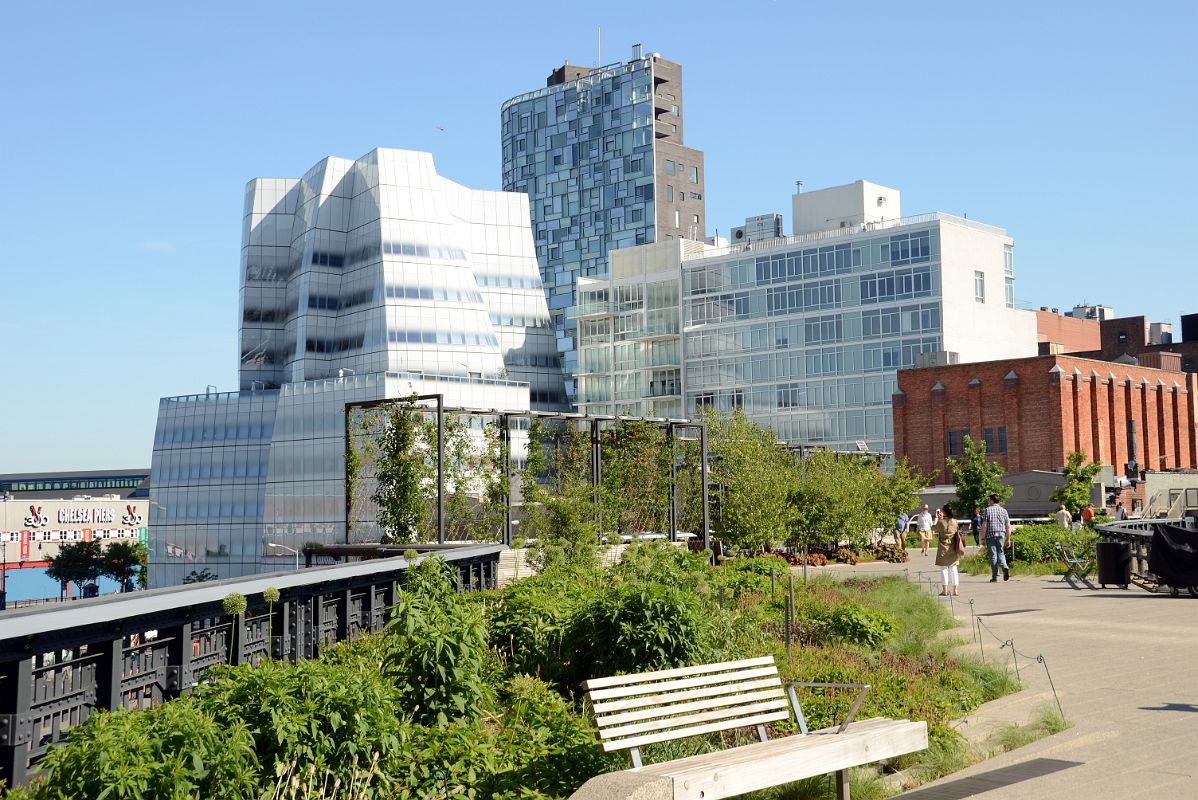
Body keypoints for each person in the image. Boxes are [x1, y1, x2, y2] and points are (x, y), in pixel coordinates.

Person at [978, 493, 1012, 582]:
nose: (988, 501)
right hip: (1001, 534)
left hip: (990, 535)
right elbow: (1008, 525)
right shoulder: (1004, 511)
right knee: (1000, 552)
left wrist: (982, 537)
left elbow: (984, 524)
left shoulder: (987, 510)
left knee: (993, 555)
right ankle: (1005, 567)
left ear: (992, 500)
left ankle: (995, 576)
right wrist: (1008, 538)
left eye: (989, 500)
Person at [934, 505, 962, 596]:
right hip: (953, 547)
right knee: (954, 569)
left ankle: (945, 590)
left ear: (944, 512)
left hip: (943, 547)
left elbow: (934, 529)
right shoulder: (955, 522)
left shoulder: (941, 522)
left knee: (944, 568)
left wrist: (938, 519)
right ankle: (955, 590)